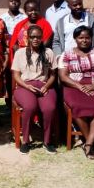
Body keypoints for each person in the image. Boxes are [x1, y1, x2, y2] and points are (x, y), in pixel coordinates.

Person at [58, 26, 94, 159]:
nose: (84, 40)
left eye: (87, 37)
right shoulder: (67, 54)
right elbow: (63, 76)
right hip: (73, 86)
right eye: (81, 37)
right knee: (77, 106)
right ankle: (92, 144)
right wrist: (79, 86)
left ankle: (88, 144)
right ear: (75, 39)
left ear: (91, 38)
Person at [11, 25, 58, 154]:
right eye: (32, 37)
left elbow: (53, 74)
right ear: (28, 38)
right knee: (30, 107)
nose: (35, 39)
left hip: (43, 85)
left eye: (38, 37)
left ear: (42, 38)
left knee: (49, 108)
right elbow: (16, 75)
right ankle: (25, 141)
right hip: (25, 85)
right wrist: (26, 86)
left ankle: (47, 141)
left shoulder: (48, 52)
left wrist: (47, 86)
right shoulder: (20, 53)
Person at [0, 0, 26, 107]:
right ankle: (9, 104)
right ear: (8, 2)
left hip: (20, 52)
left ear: (20, 3)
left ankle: (19, 102)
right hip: (6, 52)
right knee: (8, 77)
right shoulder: (2, 18)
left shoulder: (25, 18)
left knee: (19, 76)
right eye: (11, 0)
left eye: (16, 1)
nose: (14, 2)